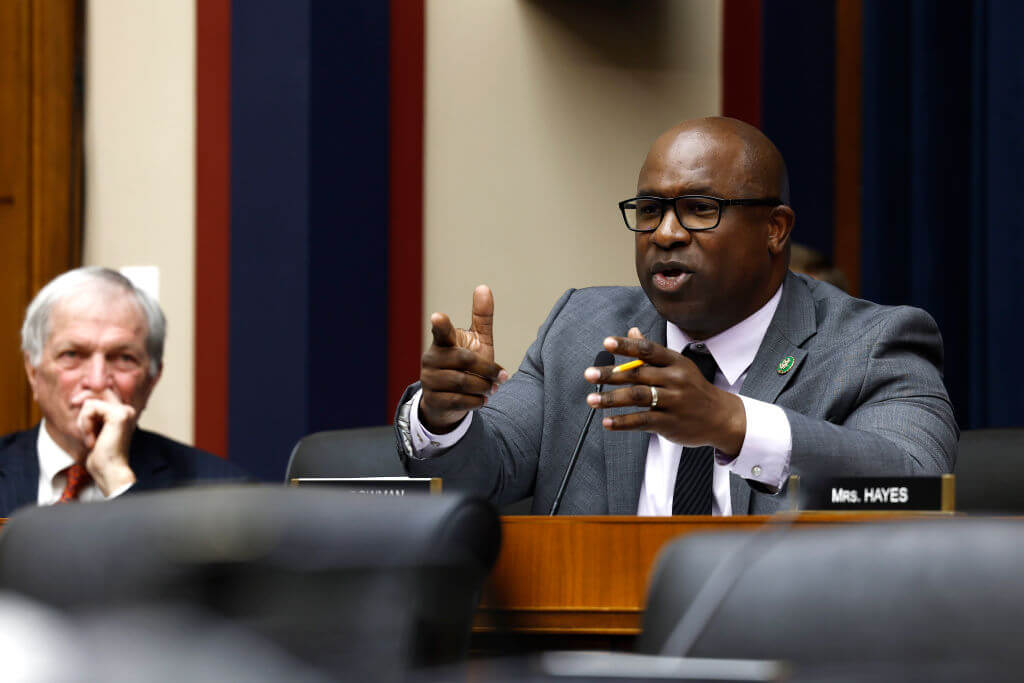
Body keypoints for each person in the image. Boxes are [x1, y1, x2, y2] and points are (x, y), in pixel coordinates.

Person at [394, 117, 957, 515]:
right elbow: (484, 475)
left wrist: (730, 422)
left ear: (775, 229)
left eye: (700, 209)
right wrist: (444, 419)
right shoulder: (581, 328)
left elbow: (920, 484)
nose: (665, 233)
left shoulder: (873, 345)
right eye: (650, 210)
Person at [0, 267, 248, 517]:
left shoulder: (219, 490)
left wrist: (116, 477)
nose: (97, 381)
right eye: (72, 354)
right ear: (33, 371)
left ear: (152, 380)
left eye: (123, 358)